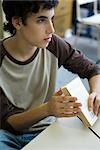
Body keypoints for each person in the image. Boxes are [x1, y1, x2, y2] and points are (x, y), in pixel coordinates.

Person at [0, 0, 100, 149]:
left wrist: (96, 93)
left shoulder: (53, 44)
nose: (51, 29)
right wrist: (47, 109)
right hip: (7, 134)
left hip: (44, 127)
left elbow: (93, 70)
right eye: (41, 20)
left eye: (51, 19)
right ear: (18, 22)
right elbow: (7, 122)